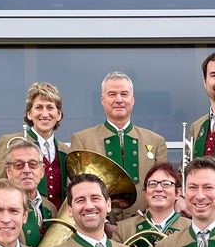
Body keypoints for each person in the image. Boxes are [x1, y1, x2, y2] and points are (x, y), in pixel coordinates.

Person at [69, 72, 168, 223]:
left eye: (124, 94)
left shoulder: (155, 141)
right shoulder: (82, 140)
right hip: (97, 226)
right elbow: (76, 190)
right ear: (102, 100)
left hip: (146, 225)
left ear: (132, 100)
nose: (119, 99)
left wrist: (145, 221)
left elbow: (164, 188)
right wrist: (104, 224)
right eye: (112, 94)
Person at [0, 82, 70, 210]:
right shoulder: (10, 142)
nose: (45, 114)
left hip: (59, 219)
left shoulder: (66, 151)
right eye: (39, 107)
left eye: (50, 108)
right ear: (29, 114)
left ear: (59, 114)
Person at [0, 139, 57, 247]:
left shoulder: (51, 208)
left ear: (42, 171)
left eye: (33, 164)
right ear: (9, 171)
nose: (27, 170)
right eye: (19, 165)